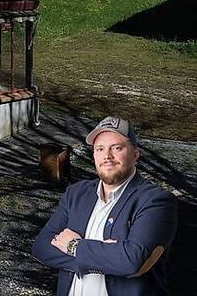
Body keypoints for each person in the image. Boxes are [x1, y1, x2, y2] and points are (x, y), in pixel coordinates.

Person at [32, 116, 178, 295]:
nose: (107, 156)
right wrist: (107, 257)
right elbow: (41, 246)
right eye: (100, 149)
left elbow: (131, 261)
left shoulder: (156, 201)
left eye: (117, 148)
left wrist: (74, 246)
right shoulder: (76, 193)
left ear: (135, 154)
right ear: (94, 155)